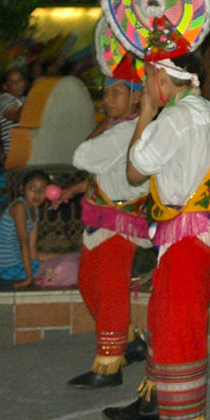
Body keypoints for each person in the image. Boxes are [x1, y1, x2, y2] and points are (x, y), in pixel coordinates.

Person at [102, 50, 210, 420]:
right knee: (164, 319)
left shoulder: (174, 119)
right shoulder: (209, 111)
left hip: (188, 236)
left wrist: (146, 113)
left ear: (163, 78)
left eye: (148, 78)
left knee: (179, 332)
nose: (145, 86)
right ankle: (152, 403)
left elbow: (132, 172)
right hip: (206, 236)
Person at [62, 62, 151, 389]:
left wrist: (99, 127)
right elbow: (100, 173)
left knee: (110, 288)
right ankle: (128, 341)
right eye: (107, 91)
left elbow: (82, 157)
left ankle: (109, 363)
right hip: (102, 217)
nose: (108, 98)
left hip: (119, 221)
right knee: (89, 282)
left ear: (137, 100)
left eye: (117, 92)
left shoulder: (124, 131)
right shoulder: (122, 127)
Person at [0, 169, 57, 288]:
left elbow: (32, 247)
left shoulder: (35, 210)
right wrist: (29, 277)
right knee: (57, 270)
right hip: (9, 267)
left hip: (22, 260)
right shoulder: (20, 207)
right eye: (32, 189)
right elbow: (24, 243)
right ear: (22, 189)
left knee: (60, 258)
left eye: (42, 190)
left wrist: (38, 263)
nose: (37, 194)